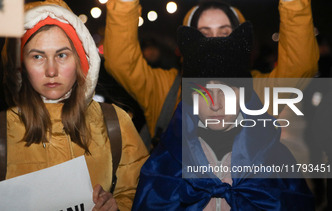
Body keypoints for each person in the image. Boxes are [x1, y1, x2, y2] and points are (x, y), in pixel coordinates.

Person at [125, 22, 317, 211]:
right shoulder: (164, 163)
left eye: (227, 89)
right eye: (204, 92)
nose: (215, 104)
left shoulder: (275, 159)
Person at [0, 1, 149, 211]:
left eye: (62, 55)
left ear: (80, 59)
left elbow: (143, 198)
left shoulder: (114, 122)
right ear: (21, 64)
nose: (51, 70)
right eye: (37, 56)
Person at [104, 0, 319, 146]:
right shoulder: (166, 88)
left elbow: (301, 66)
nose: (214, 41)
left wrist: (294, 5)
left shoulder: (257, 89)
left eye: (224, 33)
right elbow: (121, 62)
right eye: (203, 34)